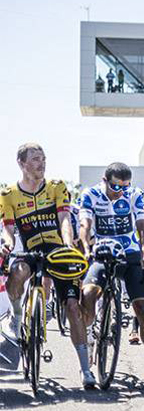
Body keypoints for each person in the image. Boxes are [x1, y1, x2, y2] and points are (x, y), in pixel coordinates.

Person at [0, 144, 91, 387]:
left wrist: (68, 244)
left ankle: (85, 369)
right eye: (36, 159)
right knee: (17, 274)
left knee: (73, 306)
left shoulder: (56, 187)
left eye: (43, 158)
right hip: (29, 250)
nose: (42, 163)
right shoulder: (8, 194)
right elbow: (9, 228)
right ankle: (18, 315)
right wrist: (7, 245)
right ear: (22, 163)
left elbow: (64, 219)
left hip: (56, 248)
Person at [78, 163, 144, 377]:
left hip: (129, 254)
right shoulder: (91, 194)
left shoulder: (134, 194)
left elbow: (142, 226)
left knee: (142, 308)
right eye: (115, 187)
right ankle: (89, 337)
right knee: (88, 294)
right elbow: (85, 224)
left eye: (125, 186)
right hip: (101, 253)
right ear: (105, 180)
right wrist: (86, 249)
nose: (120, 191)